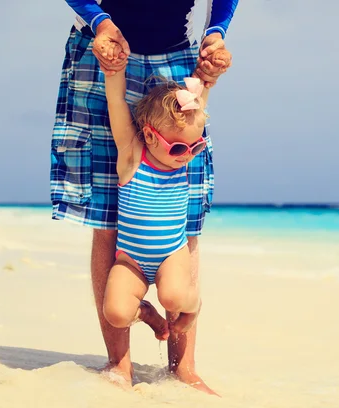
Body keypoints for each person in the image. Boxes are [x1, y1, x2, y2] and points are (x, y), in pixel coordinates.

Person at [50, 0, 239, 394]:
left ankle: (183, 366)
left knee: (187, 228)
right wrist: (99, 21)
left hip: (175, 49)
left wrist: (215, 34)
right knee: (105, 218)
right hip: (107, 44)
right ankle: (119, 365)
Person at [102, 49, 230, 353]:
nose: (186, 155)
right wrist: (113, 71)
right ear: (148, 135)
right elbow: (116, 103)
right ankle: (145, 313)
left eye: (195, 147)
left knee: (173, 297)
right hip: (130, 259)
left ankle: (194, 304)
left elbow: (196, 106)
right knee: (116, 313)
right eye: (177, 149)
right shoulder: (132, 155)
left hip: (172, 253)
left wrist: (208, 79)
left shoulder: (182, 157)